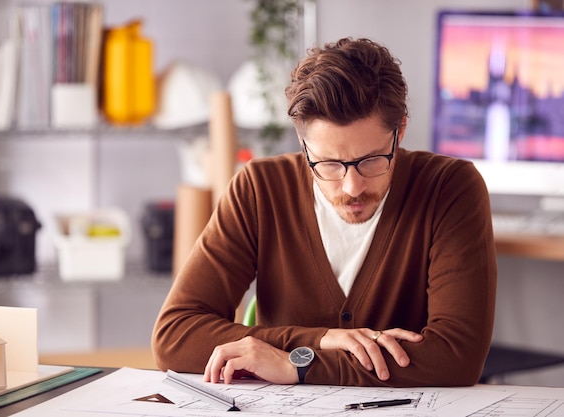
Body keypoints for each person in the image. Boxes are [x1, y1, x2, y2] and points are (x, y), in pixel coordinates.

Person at [152, 37, 497, 387]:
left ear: (400, 132)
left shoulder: (450, 188)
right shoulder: (260, 189)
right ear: (304, 146)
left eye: (371, 160)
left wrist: (301, 366)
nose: (352, 187)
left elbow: (457, 357)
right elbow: (174, 336)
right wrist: (315, 341)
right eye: (329, 164)